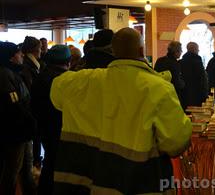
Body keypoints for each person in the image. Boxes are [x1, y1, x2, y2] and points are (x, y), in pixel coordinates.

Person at [50, 28, 192, 194]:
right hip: (138, 183)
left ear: (113, 51)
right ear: (141, 51)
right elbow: (175, 143)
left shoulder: (81, 81)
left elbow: (56, 94)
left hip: (89, 183)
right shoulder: (158, 89)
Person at [31, 45, 71, 195]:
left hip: (43, 127)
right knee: (56, 164)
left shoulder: (40, 77)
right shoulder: (64, 80)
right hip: (59, 128)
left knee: (49, 162)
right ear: (68, 61)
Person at [0, 42, 36, 195]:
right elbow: (14, 106)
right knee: (12, 170)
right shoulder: (4, 75)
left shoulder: (13, 72)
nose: (21, 55)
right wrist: (30, 121)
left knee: (25, 166)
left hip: (22, 130)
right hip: (16, 132)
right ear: (10, 57)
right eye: (18, 53)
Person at [21, 36, 43, 169]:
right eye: (40, 48)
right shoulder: (29, 67)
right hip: (32, 111)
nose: (41, 51)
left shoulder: (31, 65)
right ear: (35, 50)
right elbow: (30, 90)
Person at [154, 41, 185, 106]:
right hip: (172, 94)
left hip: (160, 92)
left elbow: (155, 75)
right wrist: (183, 84)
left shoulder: (160, 60)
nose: (181, 52)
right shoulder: (175, 63)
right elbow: (176, 82)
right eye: (180, 50)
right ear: (176, 52)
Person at [180, 42, 209, 107]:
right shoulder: (197, 62)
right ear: (194, 49)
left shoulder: (181, 62)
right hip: (197, 95)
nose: (198, 51)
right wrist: (205, 95)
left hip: (184, 95)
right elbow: (203, 80)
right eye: (198, 49)